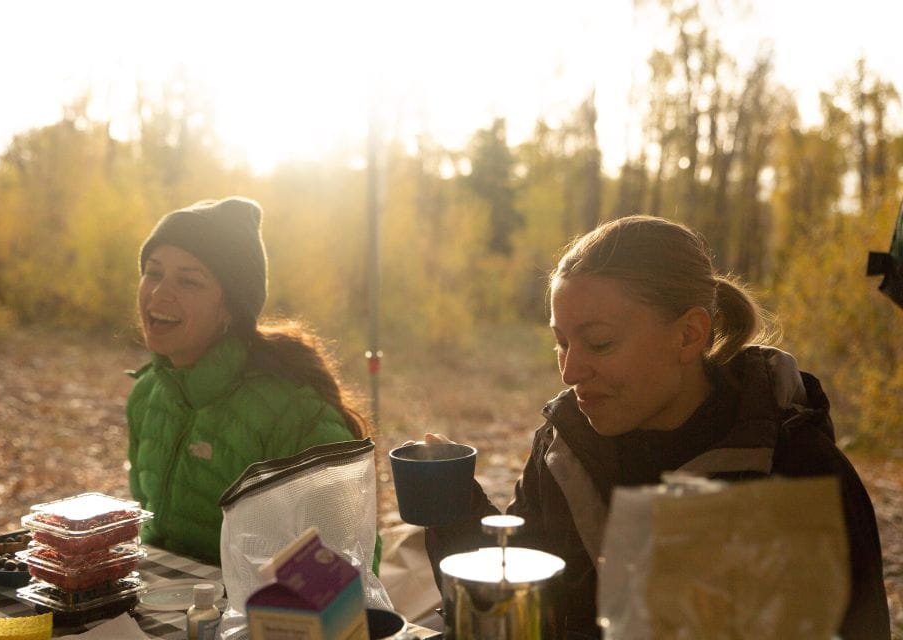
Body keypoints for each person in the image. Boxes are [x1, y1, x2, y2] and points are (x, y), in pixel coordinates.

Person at [423, 215, 890, 639]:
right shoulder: (565, 444)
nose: (570, 371)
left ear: (689, 334)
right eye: (561, 343)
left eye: (599, 342)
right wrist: (455, 507)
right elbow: (517, 591)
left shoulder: (796, 471)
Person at [126, 196, 371, 566]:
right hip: (160, 608)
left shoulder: (292, 414)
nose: (160, 293)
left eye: (189, 281)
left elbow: (352, 563)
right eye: (153, 272)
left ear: (229, 309)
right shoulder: (147, 394)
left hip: (262, 618)